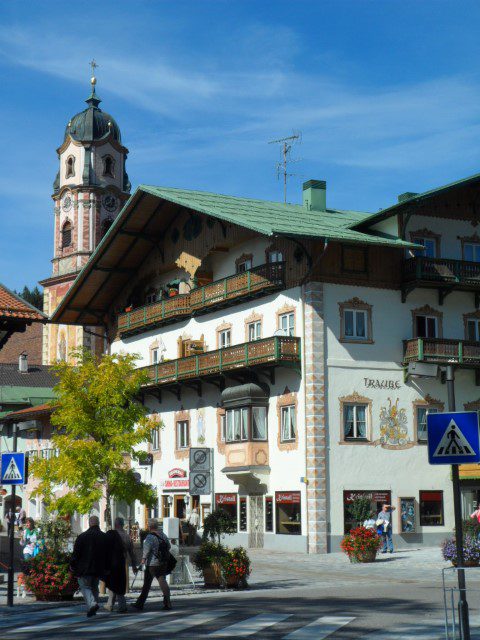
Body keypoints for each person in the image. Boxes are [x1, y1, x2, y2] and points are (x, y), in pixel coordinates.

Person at [70, 515, 109, 617]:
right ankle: (93, 606)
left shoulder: (82, 536)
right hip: (98, 567)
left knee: (85, 586)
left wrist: (72, 564)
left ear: (89, 523)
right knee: (94, 587)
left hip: (85, 567)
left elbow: (76, 553)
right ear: (98, 523)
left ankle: (92, 604)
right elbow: (107, 553)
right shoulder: (104, 537)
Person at [132, 519, 172, 611]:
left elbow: (146, 551)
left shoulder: (149, 537)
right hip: (162, 562)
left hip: (152, 564)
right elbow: (168, 546)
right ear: (157, 526)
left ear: (149, 527)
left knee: (146, 584)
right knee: (162, 581)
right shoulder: (163, 535)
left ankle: (140, 604)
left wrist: (142, 561)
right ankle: (168, 602)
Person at [104, 517, 137, 613]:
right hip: (122, 562)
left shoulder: (111, 534)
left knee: (112, 583)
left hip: (111, 562)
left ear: (115, 524)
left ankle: (119, 605)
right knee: (119, 583)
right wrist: (134, 566)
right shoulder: (127, 536)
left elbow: (105, 549)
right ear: (122, 525)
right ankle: (111, 604)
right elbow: (132, 553)